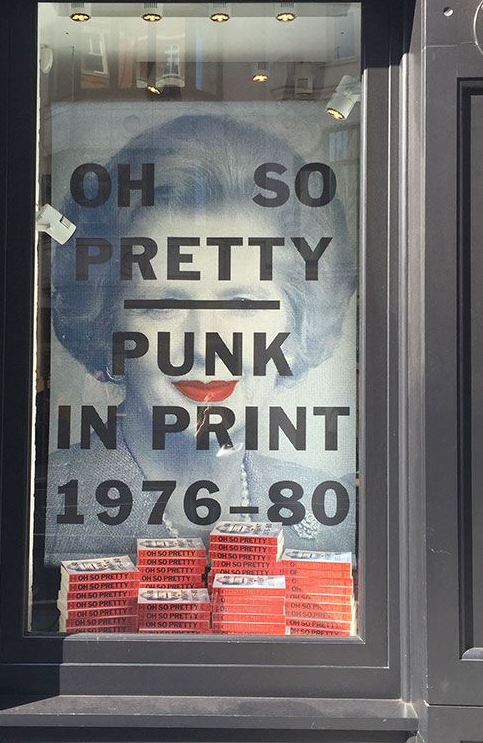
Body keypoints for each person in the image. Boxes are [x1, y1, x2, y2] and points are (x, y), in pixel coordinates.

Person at [44, 113, 357, 564]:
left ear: (295, 328)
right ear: (106, 328)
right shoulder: (44, 509)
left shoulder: (333, 513)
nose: (207, 344)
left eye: (245, 305)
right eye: (161, 304)